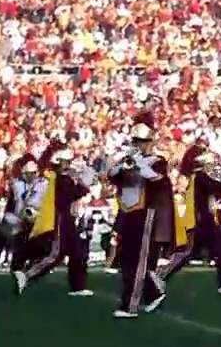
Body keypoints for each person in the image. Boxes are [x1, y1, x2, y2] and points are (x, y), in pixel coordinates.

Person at [108, 113, 176, 318]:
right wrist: (123, 164)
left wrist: (141, 166)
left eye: (143, 142)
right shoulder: (127, 159)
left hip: (146, 213)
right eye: (136, 141)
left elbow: (160, 181)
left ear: (150, 142)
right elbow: (112, 176)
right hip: (128, 212)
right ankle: (154, 292)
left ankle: (130, 305)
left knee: (138, 261)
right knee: (128, 259)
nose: (140, 145)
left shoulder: (157, 161)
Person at [157, 143, 221, 300]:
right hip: (199, 220)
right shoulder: (200, 176)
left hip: (207, 220)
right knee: (187, 252)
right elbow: (220, 188)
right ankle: (160, 275)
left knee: (220, 250)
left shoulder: (202, 175)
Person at [14, 142, 95, 297]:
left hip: (67, 218)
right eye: (66, 162)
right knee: (55, 255)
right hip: (60, 219)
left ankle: (78, 286)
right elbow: (73, 194)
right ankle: (27, 275)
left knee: (77, 253)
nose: (69, 165)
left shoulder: (59, 177)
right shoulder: (57, 179)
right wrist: (85, 183)